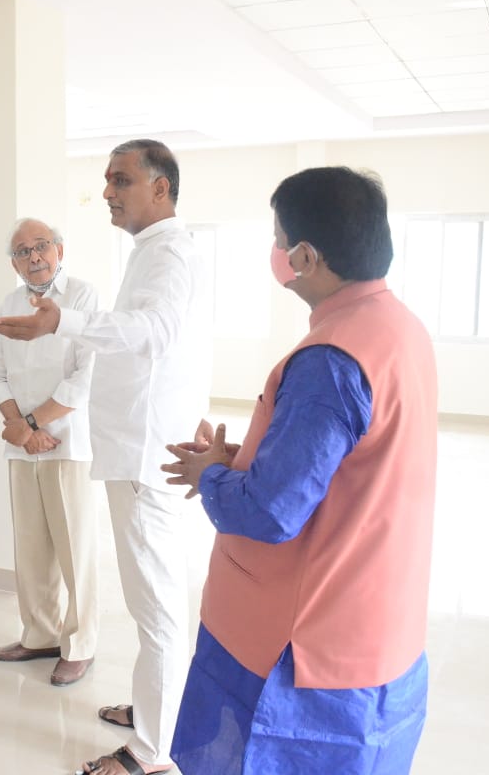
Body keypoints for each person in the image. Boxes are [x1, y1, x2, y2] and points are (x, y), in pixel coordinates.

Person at [162, 167, 436, 775]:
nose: (276, 252)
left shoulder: (330, 359)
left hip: (301, 640)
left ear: (305, 256)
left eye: (280, 240)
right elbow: (348, 467)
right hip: (382, 622)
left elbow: (268, 512)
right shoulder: (400, 328)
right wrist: (247, 461)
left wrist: (212, 474)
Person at [0, 139, 210, 775]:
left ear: (160, 187)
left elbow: (152, 335)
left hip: (146, 457)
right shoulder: (151, 253)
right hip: (132, 452)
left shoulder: (169, 252)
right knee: (151, 606)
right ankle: (152, 713)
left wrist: (64, 324)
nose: (108, 192)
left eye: (121, 180)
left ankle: (150, 753)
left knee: (158, 608)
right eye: (107, 180)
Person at [0, 218, 100, 687]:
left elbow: (84, 376)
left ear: (60, 249)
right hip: (23, 445)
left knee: (75, 548)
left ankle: (81, 643)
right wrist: (18, 425)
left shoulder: (83, 297)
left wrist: (32, 424)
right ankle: (39, 634)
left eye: (41, 247)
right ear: (13, 262)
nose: (33, 257)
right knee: (31, 548)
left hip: (65, 440)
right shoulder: (9, 303)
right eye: (22, 251)